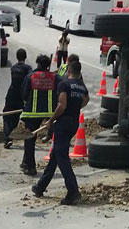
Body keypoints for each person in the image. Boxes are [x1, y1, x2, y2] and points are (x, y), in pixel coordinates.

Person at [32, 61, 89, 205]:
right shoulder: (82, 86)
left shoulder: (64, 84)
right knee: (55, 156)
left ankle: (73, 192)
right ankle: (40, 187)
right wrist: (75, 107)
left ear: (69, 70)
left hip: (63, 124)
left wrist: (51, 120)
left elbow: (62, 105)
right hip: (73, 123)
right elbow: (85, 101)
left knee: (62, 157)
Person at [20, 54, 59, 176]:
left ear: (38, 64)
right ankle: (25, 162)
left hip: (32, 113)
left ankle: (30, 167)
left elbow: (24, 94)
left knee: (30, 139)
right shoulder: (54, 77)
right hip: (49, 113)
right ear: (48, 65)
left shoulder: (30, 76)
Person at [2, 49, 32, 149]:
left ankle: (7, 138)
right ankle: (9, 137)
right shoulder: (28, 69)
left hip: (11, 95)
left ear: (17, 57)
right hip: (21, 96)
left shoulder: (13, 68)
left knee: (6, 116)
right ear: (25, 57)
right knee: (16, 116)